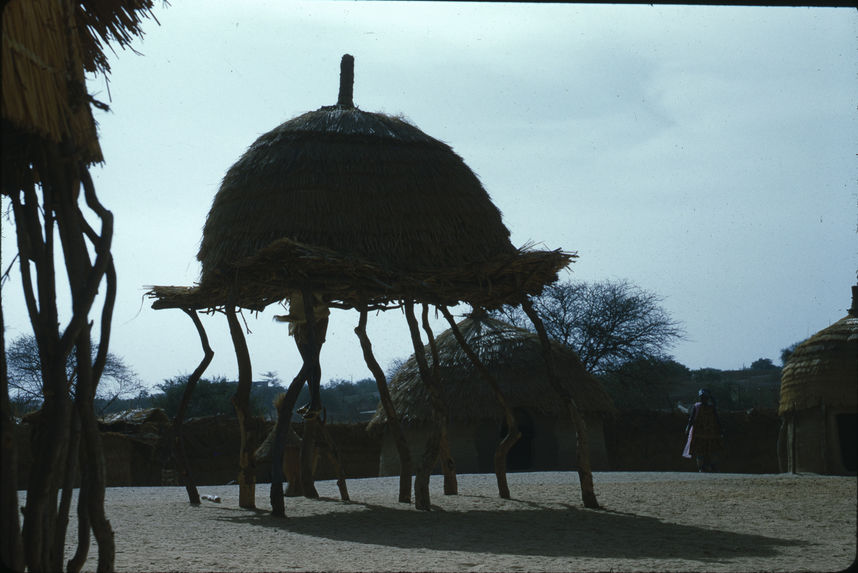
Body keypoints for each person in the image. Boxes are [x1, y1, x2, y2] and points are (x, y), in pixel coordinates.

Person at [275, 291, 329, 419]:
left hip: (307, 320)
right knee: (312, 362)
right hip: (313, 318)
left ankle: (315, 402)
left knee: (311, 362)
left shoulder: (301, 285)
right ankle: (315, 402)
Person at [682, 388, 723, 472]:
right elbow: (692, 419)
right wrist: (688, 427)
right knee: (700, 451)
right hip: (700, 433)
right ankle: (701, 467)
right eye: (702, 397)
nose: (703, 399)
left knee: (711, 451)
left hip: (710, 434)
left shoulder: (711, 408)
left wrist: (720, 430)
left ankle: (711, 466)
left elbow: (717, 419)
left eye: (705, 397)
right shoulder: (697, 406)